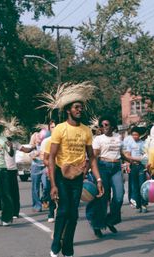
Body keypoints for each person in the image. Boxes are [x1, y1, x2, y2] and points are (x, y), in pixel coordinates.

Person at [45, 82, 104, 257]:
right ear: (69, 110)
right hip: (61, 175)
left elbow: (91, 157)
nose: (80, 110)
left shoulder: (86, 131)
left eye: (81, 107)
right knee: (63, 210)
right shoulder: (60, 129)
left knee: (74, 214)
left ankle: (68, 248)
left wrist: (98, 179)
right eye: (76, 107)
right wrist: (53, 184)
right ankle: (56, 244)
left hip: (77, 177)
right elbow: (51, 157)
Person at [90, 115, 125, 238]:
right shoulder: (98, 139)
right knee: (102, 197)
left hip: (116, 167)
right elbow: (93, 157)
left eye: (106, 125)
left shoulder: (118, 137)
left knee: (119, 196)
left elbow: (122, 153)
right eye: (102, 125)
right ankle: (97, 225)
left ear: (112, 126)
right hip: (103, 166)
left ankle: (110, 220)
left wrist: (134, 160)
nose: (104, 127)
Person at [4, 117, 34, 218]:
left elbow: (25, 150)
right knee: (5, 192)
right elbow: (10, 152)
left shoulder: (15, 142)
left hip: (12, 170)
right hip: (3, 170)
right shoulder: (1, 142)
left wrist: (33, 147)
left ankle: (15, 212)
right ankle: (3, 209)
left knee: (14, 192)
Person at [124, 126, 148, 213]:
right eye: (133, 135)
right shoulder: (130, 144)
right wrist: (129, 163)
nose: (134, 136)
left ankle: (144, 204)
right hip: (133, 167)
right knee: (134, 186)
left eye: (136, 135)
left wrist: (136, 159)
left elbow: (145, 156)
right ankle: (137, 204)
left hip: (141, 167)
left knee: (142, 186)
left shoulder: (143, 143)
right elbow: (127, 156)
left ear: (139, 135)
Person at [40, 120, 57, 223]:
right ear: (49, 129)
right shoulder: (46, 141)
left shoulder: (64, 139)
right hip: (51, 170)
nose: (54, 129)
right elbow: (43, 157)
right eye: (52, 127)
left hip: (64, 170)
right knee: (51, 190)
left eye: (56, 126)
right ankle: (51, 213)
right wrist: (50, 166)